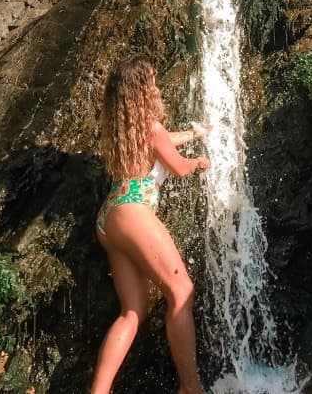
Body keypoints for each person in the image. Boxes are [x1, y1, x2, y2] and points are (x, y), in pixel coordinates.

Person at [91, 56, 210, 394]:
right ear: (143, 90)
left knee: (132, 311)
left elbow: (164, 140)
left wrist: (194, 132)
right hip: (133, 212)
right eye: (153, 82)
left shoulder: (126, 130)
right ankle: (190, 387)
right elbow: (180, 168)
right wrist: (200, 161)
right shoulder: (151, 128)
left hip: (109, 218)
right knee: (181, 291)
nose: (157, 87)